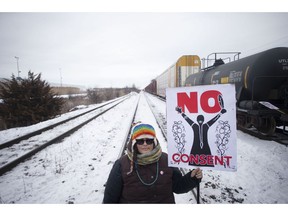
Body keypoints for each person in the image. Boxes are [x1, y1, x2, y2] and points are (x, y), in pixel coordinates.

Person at [103, 123, 203, 203]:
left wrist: (192, 178)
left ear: (154, 142)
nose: (145, 144)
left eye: (149, 140)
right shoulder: (121, 164)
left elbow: (177, 187)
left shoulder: (166, 159)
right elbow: (110, 198)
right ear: (134, 143)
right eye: (140, 141)